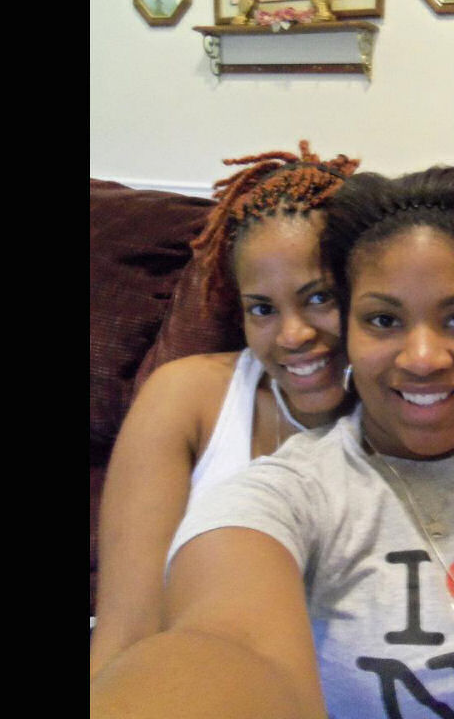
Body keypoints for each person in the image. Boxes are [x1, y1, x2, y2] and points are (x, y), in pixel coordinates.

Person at [91, 167, 454, 717]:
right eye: (384, 320)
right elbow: (223, 642)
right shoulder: (282, 492)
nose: (423, 358)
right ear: (352, 328)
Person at [89, 141, 360, 678]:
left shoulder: (410, 411)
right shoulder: (186, 396)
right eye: (262, 309)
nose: (292, 335)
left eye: (319, 297)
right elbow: (127, 631)